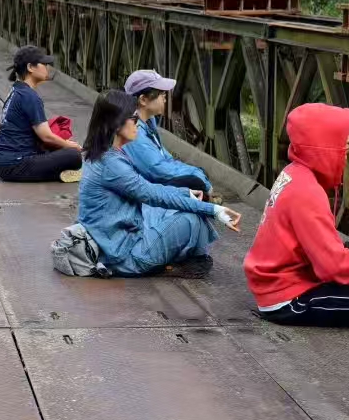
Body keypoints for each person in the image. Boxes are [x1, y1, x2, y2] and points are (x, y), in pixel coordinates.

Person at [244, 103, 349, 325]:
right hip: (286, 300)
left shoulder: (294, 172)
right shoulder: (307, 192)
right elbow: (333, 267)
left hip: (278, 280)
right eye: (340, 135)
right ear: (321, 144)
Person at [76, 89, 242, 276]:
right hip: (125, 257)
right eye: (134, 119)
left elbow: (149, 190)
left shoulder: (104, 153)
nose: (138, 125)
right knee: (192, 217)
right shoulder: (112, 164)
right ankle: (192, 259)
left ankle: (190, 257)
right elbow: (151, 194)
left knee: (179, 206)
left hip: (110, 243)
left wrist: (184, 193)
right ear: (116, 125)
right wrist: (215, 210)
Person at [0, 45, 83, 183]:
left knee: (58, 150)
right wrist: (70, 146)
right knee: (74, 155)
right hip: (17, 164)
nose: (47, 68)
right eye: (44, 64)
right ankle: (59, 174)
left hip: (3, 162)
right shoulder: (29, 96)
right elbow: (46, 136)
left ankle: (60, 172)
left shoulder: (16, 90)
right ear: (31, 67)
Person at [121, 69, 213, 198]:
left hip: (151, 185)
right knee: (196, 183)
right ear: (143, 100)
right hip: (146, 195)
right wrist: (197, 175)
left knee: (198, 176)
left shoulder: (147, 122)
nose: (165, 96)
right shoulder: (134, 132)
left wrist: (196, 172)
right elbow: (157, 170)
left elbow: (165, 158)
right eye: (160, 93)